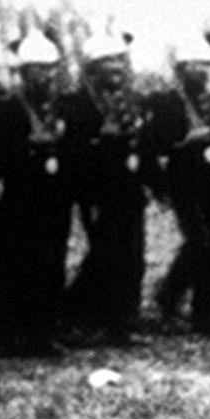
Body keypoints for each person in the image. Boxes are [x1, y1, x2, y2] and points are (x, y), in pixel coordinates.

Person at [60, 31, 155, 346]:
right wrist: (103, 138)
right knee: (107, 255)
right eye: (109, 61)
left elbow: (140, 142)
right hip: (96, 189)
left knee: (133, 256)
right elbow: (73, 150)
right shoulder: (76, 104)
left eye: (120, 60)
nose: (117, 67)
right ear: (93, 67)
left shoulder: (128, 99)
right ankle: (87, 316)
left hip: (128, 186)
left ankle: (121, 322)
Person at [0, 28, 72, 356]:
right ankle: (10, 336)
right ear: (24, 72)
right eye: (39, 69)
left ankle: (42, 334)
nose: (46, 76)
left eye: (50, 69)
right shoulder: (5, 109)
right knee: (17, 266)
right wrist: (27, 149)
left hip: (54, 196)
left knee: (52, 265)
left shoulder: (58, 108)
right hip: (21, 198)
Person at [147, 32, 210, 335]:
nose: (202, 73)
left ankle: (180, 299)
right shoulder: (168, 103)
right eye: (195, 66)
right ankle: (198, 313)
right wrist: (160, 188)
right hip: (184, 182)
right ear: (182, 69)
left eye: (206, 66)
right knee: (201, 243)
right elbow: (154, 146)